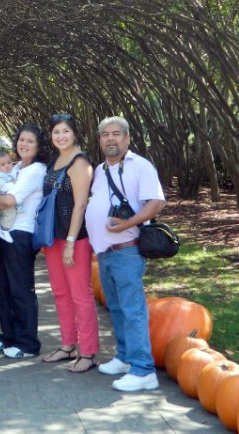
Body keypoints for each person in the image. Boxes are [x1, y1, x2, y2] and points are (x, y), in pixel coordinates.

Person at [84, 116, 166, 392]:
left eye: (116, 133)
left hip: (127, 251)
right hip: (105, 252)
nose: (110, 139)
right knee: (117, 308)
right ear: (100, 141)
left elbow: (156, 202)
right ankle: (124, 357)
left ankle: (143, 369)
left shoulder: (140, 166)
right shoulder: (99, 170)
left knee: (132, 310)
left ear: (127, 138)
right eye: (105, 134)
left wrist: (128, 224)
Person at [40, 113, 100, 373]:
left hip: (74, 238)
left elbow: (80, 204)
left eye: (65, 131)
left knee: (81, 295)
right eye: (56, 132)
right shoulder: (55, 159)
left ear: (75, 133)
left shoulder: (80, 161)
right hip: (53, 237)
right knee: (61, 293)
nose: (61, 136)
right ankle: (67, 346)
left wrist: (72, 242)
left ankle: (87, 352)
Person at [0, 123, 50, 359]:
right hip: (5, 233)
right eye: (21, 139)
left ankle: (27, 342)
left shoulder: (35, 170)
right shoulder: (17, 167)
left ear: (39, 146)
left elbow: (8, 200)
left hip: (21, 235)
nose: (24, 144)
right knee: (0, 286)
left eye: (30, 141)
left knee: (20, 289)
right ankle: (9, 335)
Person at [0, 149, 18, 243]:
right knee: (10, 213)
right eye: (3, 164)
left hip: (2, 199)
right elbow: (3, 187)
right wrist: (14, 183)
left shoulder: (9, 173)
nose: (7, 166)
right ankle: (4, 230)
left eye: (9, 162)